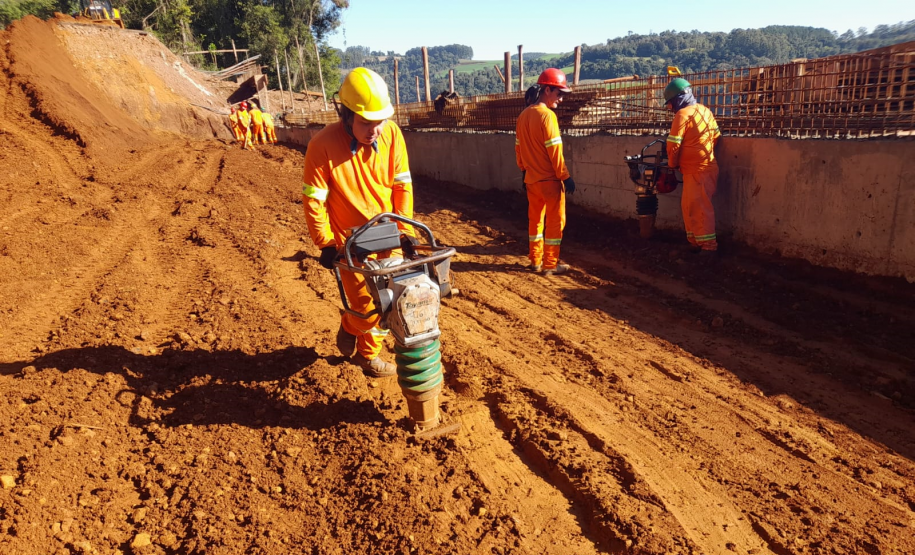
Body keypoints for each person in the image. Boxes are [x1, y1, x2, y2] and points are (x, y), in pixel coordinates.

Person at [301, 67, 414, 377]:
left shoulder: (392, 135)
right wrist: (325, 243)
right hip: (349, 244)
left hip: (388, 235)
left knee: (391, 302)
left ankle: (367, 356)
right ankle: (352, 323)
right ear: (346, 114)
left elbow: (402, 184)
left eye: (380, 121)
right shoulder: (322, 146)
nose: (375, 130)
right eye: (366, 122)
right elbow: (314, 199)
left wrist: (405, 230)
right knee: (366, 309)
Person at [515, 68, 576, 276]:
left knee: (535, 221)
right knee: (555, 223)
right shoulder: (547, 116)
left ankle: (535, 260)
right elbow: (554, 150)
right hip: (550, 181)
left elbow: (518, 148)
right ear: (547, 90)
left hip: (532, 181)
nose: (561, 99)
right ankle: (550, 264)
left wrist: (524, 170)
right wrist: (565, 177)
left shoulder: (523, 116)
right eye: (559, 93)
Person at [664, 78, 721, 253]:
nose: (670, 108)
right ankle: (695, 242)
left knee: (700, 209)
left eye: (670, 104)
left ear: (677, 99)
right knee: (689, 207)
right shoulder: (705, 111)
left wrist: (672, 164)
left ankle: (708, 247)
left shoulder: (683, 115)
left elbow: (673, 145)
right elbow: (716, 136)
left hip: (698, 171)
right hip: (699, 169)